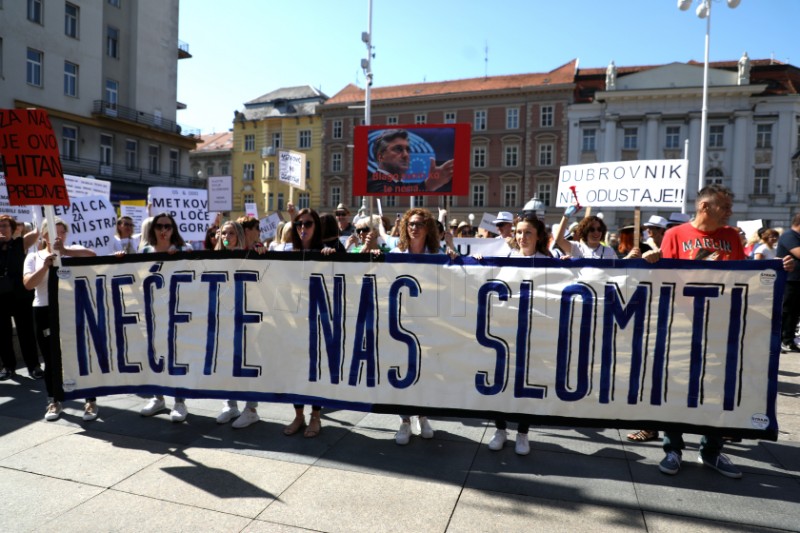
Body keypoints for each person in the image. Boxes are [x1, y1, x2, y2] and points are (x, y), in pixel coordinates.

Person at [645, 185, 793, 479]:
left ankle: (711, 449)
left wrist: (778, 267)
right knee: (676, 386)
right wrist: (651, 263)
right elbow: (664, 280)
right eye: (724, 206)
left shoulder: (730, 237)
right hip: (684, 325)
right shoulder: (675, 236)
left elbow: (745, 275)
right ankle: (673, 447)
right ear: (704, 207)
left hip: (723, 324)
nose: (730, 211)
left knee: (717, 386)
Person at [389, 208, 458, 445]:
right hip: (402, 320)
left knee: (426, 370)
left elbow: (454, 279)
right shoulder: (397, 252)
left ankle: (423, 415)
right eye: (410, 224)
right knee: (403, 370)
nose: (414, 228)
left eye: (419, 224)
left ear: (427, 228)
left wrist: (453, 252)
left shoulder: (437, 253)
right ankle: (404, 421)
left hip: (429, 321)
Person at [485, 214, 552, 455]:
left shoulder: (547, 262)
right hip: (505, 332)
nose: (522, 237)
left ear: (538, 237)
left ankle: (523, 433)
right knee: (500, 382)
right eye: (519, 232)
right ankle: (500, 429)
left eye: (528, 233)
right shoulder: (506, 258)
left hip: (534, 333)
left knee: (527, 383)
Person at [23, 218, 98, 421]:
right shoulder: (34, 257)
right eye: (53, 232)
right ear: (44, 234)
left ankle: (90, 400)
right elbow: (29, 285)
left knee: (79, 355)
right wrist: (45, 267)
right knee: (50, 358)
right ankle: (54, 400)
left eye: (62, 232)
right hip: (44, 309)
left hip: (71, 307)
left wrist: (65, 252)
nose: (58, 236)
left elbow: (92, 256)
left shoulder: (73, 249)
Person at [281, 208, 338, 438]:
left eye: (308, 223)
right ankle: (298, 415)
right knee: (295, 369)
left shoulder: (326, 251)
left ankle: (315, 416)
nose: (303, 228)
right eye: (298, 224)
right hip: (293, 320)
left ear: (317, 227)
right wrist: (260, 251)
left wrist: (331, 255)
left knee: (315, 369)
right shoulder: (285, 251)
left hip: (318, 319)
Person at [138, 213, 194, 422]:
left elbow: (195, 272)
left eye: (168, 226)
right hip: (151, 311)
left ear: (173, 229)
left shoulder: (183, 249)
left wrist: (183, 256)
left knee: (177, 355)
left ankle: (180, 402)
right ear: (152, 229)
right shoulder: (144, 251)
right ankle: (158, 397)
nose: (163, 230)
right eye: (159, 226)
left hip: (176, 311)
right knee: (154, 354)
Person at [214, 220, 263, 428]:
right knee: (225, 362)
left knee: (247, 362)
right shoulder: (214, 258)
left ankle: (251, 409)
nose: (227, 237)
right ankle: (230, 404)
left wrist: (262, 252)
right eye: (224, 233)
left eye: (231, 233)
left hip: (247, 317)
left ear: (239, 236)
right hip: (224, 317)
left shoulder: (250, 254)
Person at [0, 215, 41, 380]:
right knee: (2, 333)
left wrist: (25, 221)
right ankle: (8, 366)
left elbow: (38, 231)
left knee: (26, 332)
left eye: (5, 226)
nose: (2, 229)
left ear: (12, 228)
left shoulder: (19, 244)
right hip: (1, 298)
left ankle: (34, 366)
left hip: (21, 296)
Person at [366, 129, 454, 194]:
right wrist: (428, 185)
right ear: (381, 157)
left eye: (407, 150)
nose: (406, 155)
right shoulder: (374, 184)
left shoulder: (399, 183)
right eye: (398, 149)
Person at [777, 215, 800, 353]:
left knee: (795, 312)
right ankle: (778, 340)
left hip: (797, 280)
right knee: (785, 311)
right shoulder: (789, 236)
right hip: (788, 280)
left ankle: (789, 340)